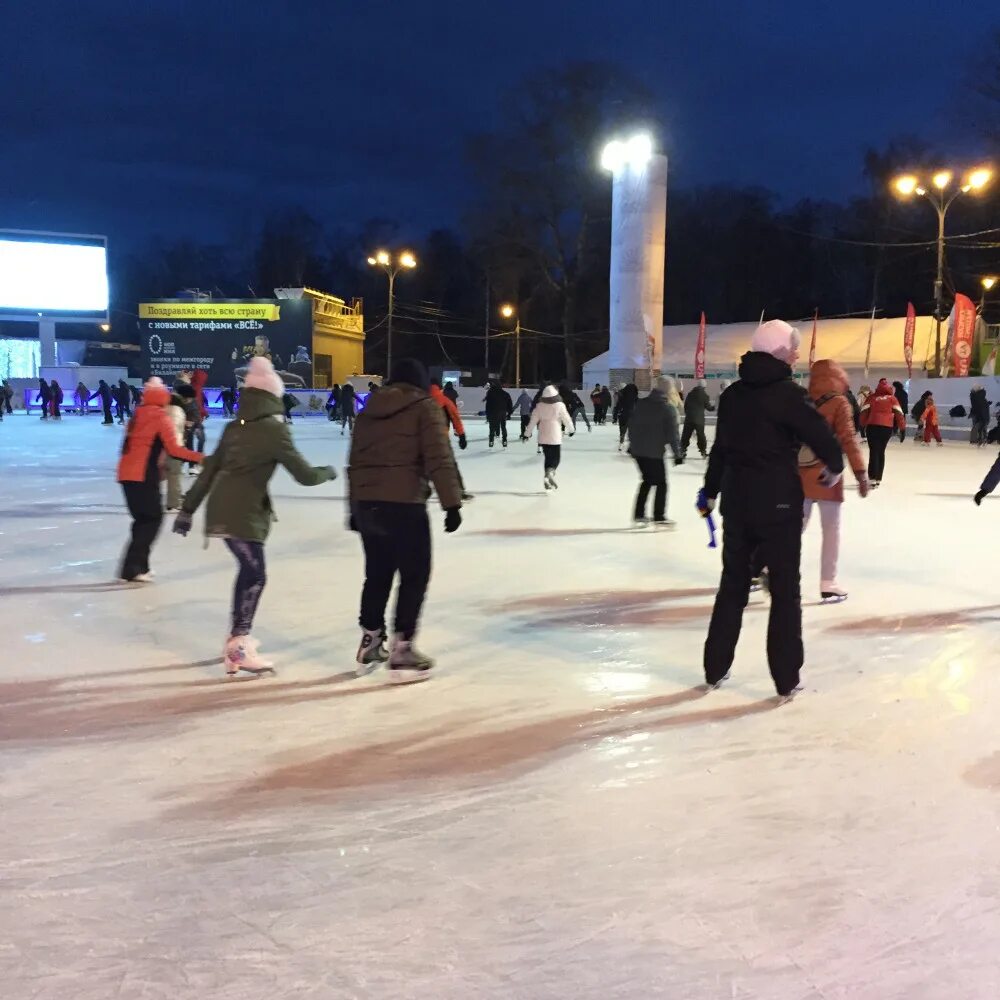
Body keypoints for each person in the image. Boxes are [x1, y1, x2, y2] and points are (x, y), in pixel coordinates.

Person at [702, 320, 843, 700]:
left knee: (732, 585)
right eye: (793, 348)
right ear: (780, 352)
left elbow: (721, 450)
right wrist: (835, 465)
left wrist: (710, 491)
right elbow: (822, 436)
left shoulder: (733, 395)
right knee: (784, 591)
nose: (797, 354)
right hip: (778, 506)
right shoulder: (789, 395)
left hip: (737, 504)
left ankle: (714, 667)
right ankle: (786, 677)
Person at [174, 358, 334, 675]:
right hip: (242, 514)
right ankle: (238, 646)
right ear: (274, 395)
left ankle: (236, 639)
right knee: (255, 574)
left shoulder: (236, 427)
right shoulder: (275, 430)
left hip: (223, 509)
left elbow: (209, 472)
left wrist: (188, 509)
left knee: (249, 572)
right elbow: (303, 475)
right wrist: (326, 472)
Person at [347, 358, 463, 681]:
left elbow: (355, 462)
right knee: (415, 573)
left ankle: (371, 638)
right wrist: (452, 504)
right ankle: (402, 647)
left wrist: (353, 508)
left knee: (377, 574)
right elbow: (438, 457)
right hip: (404, 504)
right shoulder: (424, 407)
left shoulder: (368, 411)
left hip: (368, 504)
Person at [117, 377, 202, 583]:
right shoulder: (160, 416)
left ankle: (138, 566)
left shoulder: (137, 414)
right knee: (152, 519)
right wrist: (202, 458)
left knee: (143, 520)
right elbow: (174, 450)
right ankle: (133, 568)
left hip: (126, 474)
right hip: (143, 475)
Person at [799, 360, 870, 602]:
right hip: (829, 474)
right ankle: (828, 582)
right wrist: (860, 473)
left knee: (794, 528)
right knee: (831, 529)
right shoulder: (840, 402)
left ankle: (767, 566)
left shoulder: (802, 401)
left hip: (801, 473)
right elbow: (848, 439)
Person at [627, 376, 683, 526]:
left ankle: (639, 514)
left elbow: (631, 426)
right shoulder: (668, 409)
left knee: (647, 480)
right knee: (661, 483)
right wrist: (678, 454)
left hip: (638, 452)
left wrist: (632, 445)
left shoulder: (641, 404)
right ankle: (658, 515)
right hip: (654, 453)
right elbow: (673, 435)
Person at [524, 384, 574, 490]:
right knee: (556, 458)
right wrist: (571, 429)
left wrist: (527, 434)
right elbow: (566, 418)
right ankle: (550, 473)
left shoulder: (539, 405)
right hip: (555, 435)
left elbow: (533, 421)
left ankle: (547, 477)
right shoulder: (559, 405)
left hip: (543, 435)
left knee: (548, 457)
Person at [430, 378, 473, 501]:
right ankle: (459, 490)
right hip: (441, 439)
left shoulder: (421, 400)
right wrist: (461, 436)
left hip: (422, 440)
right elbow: (455, 417)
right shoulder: (444, 400)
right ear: (440, 388)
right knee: (450, 466)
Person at [859, 378, 906, 486]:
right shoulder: (892, 399)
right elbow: (899, 414)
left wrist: (861, 426)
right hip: (886, 428)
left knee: (873, 451)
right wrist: (902, 429)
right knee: (881, 451)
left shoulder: (872, 398)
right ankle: (879, 478)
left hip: (872, 427)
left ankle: (872, 478)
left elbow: (864, 412)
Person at [681, 378, 714, 459]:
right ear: (704, 387)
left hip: (689, 418)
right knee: (701, 435)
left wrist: (688, 414)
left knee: (686, 435)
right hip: (699, 420)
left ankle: (682, 450)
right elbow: (709, 408)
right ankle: (703, 451)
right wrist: (714, 407)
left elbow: (685, 406)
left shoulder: (690, 394)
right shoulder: (705, 395)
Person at [484, 380, 512, 447]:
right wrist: (509, 414)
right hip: (502, 413)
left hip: (493, 413)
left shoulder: (491, 394)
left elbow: (488, 405)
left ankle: (491, 441)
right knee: (503, 427)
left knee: (492, 427)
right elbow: (510, 404)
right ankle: (504, 441)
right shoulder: (506, 394)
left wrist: (488, 415)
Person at [612, 383, 639, 451]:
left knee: (622, 431)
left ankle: (621, 443)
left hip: (623, 415)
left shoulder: (622, 397)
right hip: (632, 416)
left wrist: (615, 417)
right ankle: (631, 446)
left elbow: (617, 407)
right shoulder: (636, 398)